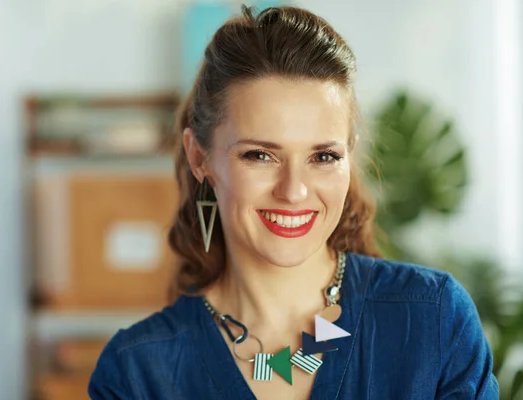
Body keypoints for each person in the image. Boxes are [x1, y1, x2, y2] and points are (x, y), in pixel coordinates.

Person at [88, 5, 499, 399]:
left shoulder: (433, 319)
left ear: (349, 155)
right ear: (200, 158)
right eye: (260, 155)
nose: (294, 190)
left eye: (323, 157)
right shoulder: (136, 372)